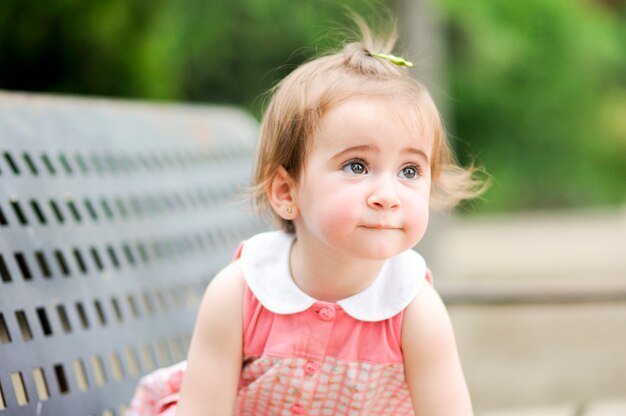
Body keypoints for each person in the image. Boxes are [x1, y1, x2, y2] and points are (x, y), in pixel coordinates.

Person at [128, 18, 486, 416]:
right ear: (286, 192)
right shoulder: (241, 294)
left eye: (409, 171)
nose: (388, 196)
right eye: (356, 165)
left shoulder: (414, 309)